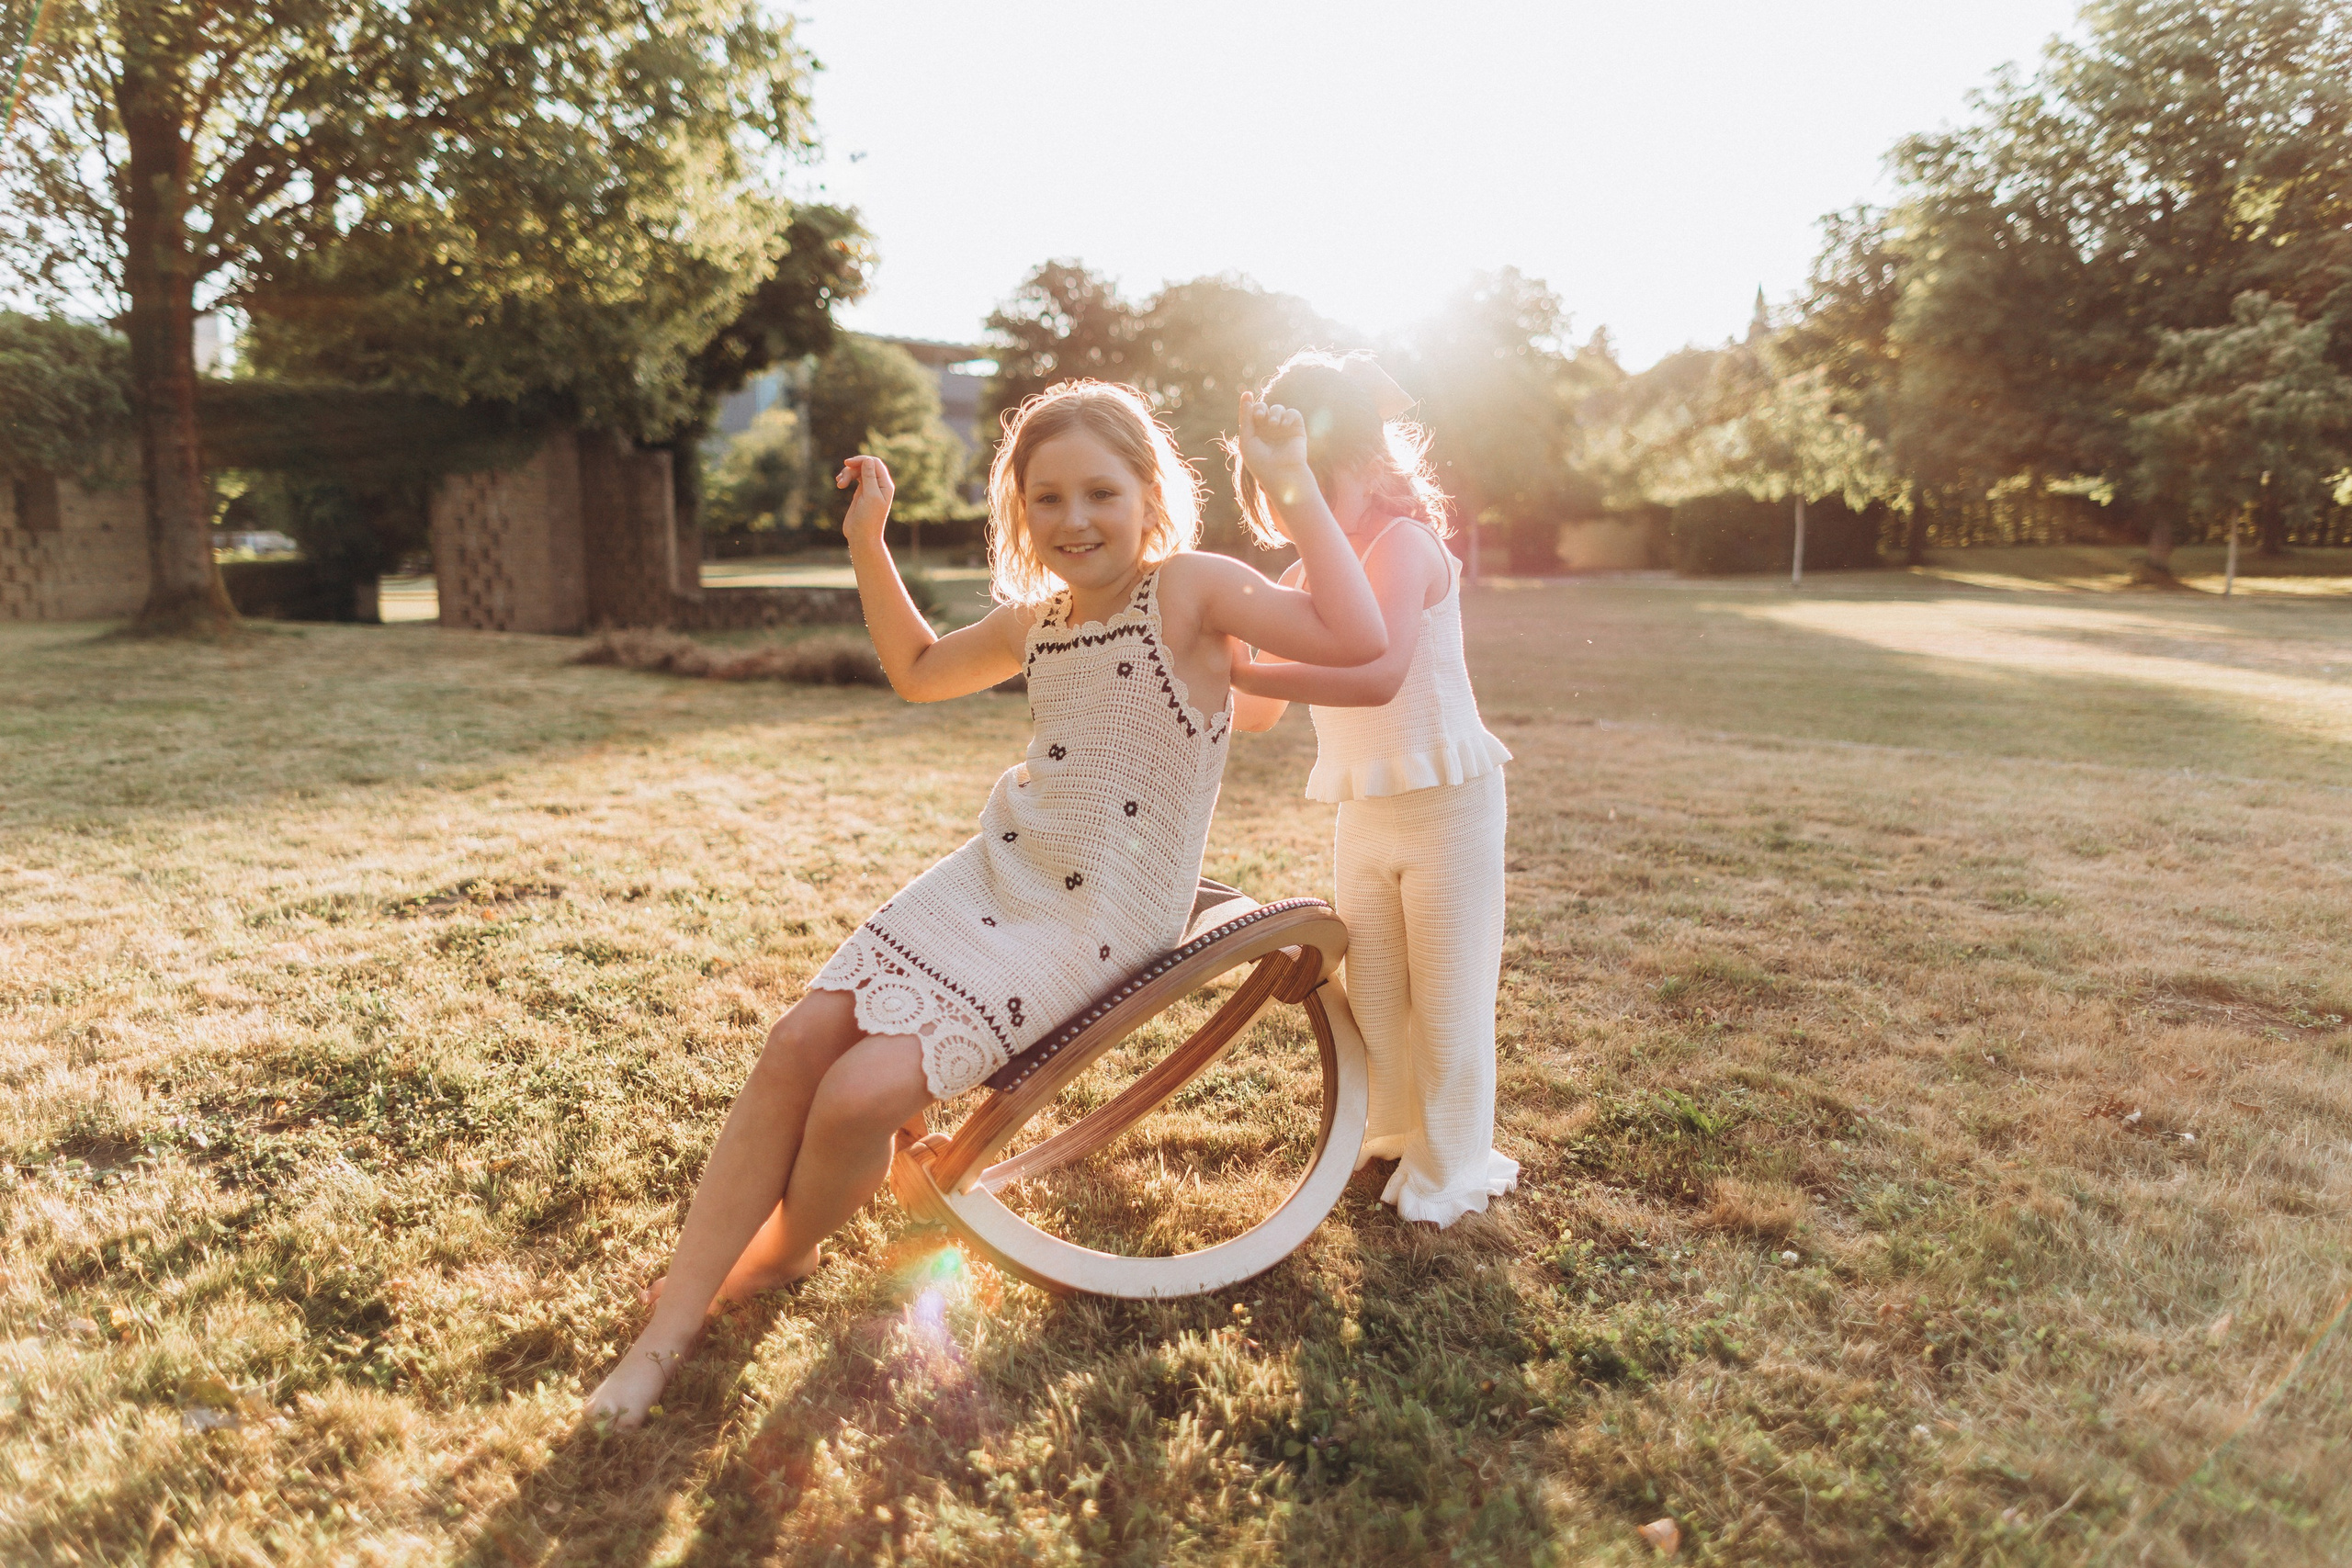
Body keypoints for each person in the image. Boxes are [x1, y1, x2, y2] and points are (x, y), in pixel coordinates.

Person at [584, 379, 1386, 1427]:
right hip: (997, 869)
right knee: (796, 1042)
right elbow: (917, 672)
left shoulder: (1191, 589)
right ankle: (668, 1328)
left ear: (1151, 495)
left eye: (1100, 492)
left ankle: (784, 1253)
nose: (1074, 521)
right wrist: (868, 539)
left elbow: (1354, 635)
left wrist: (1291, 485)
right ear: (1018, 511)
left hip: (1101, 911)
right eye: (1045, 499)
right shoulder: (1042, 621)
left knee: (860, 1095)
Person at [1226, 351, 1518, 1229]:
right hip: (1366, 812)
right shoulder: (1298, 579)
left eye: (1304, 486)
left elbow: (1382, 673)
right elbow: (1257, 715)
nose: (1291, 511)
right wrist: (1218, 642)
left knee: (1449, 990)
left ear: (1353, 465)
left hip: (1448, 806)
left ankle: (1453, 1159)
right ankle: (1390, 1131)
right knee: (1376, 991)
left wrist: (1262, 651)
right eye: (1276, 496)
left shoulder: (1403, 546)